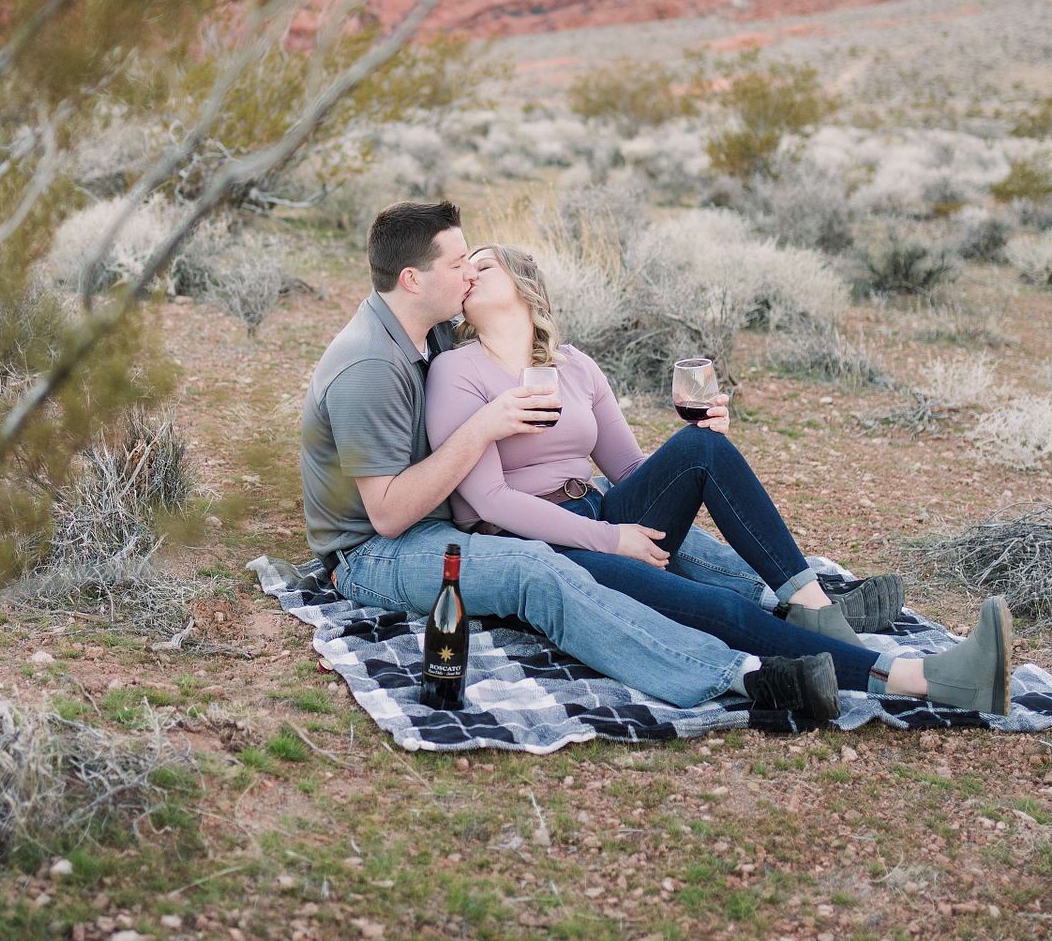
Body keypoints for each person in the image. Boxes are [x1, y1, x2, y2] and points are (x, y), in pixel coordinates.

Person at [301, 203, 976, 724]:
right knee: (685, 593)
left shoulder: (495, 348)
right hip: (424, 541)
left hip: (586, 507)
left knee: (702, 451)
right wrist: (602, 530)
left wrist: (687, 450)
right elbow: (432, 510)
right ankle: (878, 674)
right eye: (460, 264)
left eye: (481, 263)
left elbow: (627, 471)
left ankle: (811, 606)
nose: (469, 273)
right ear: (418, 279)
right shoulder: (419, 363)